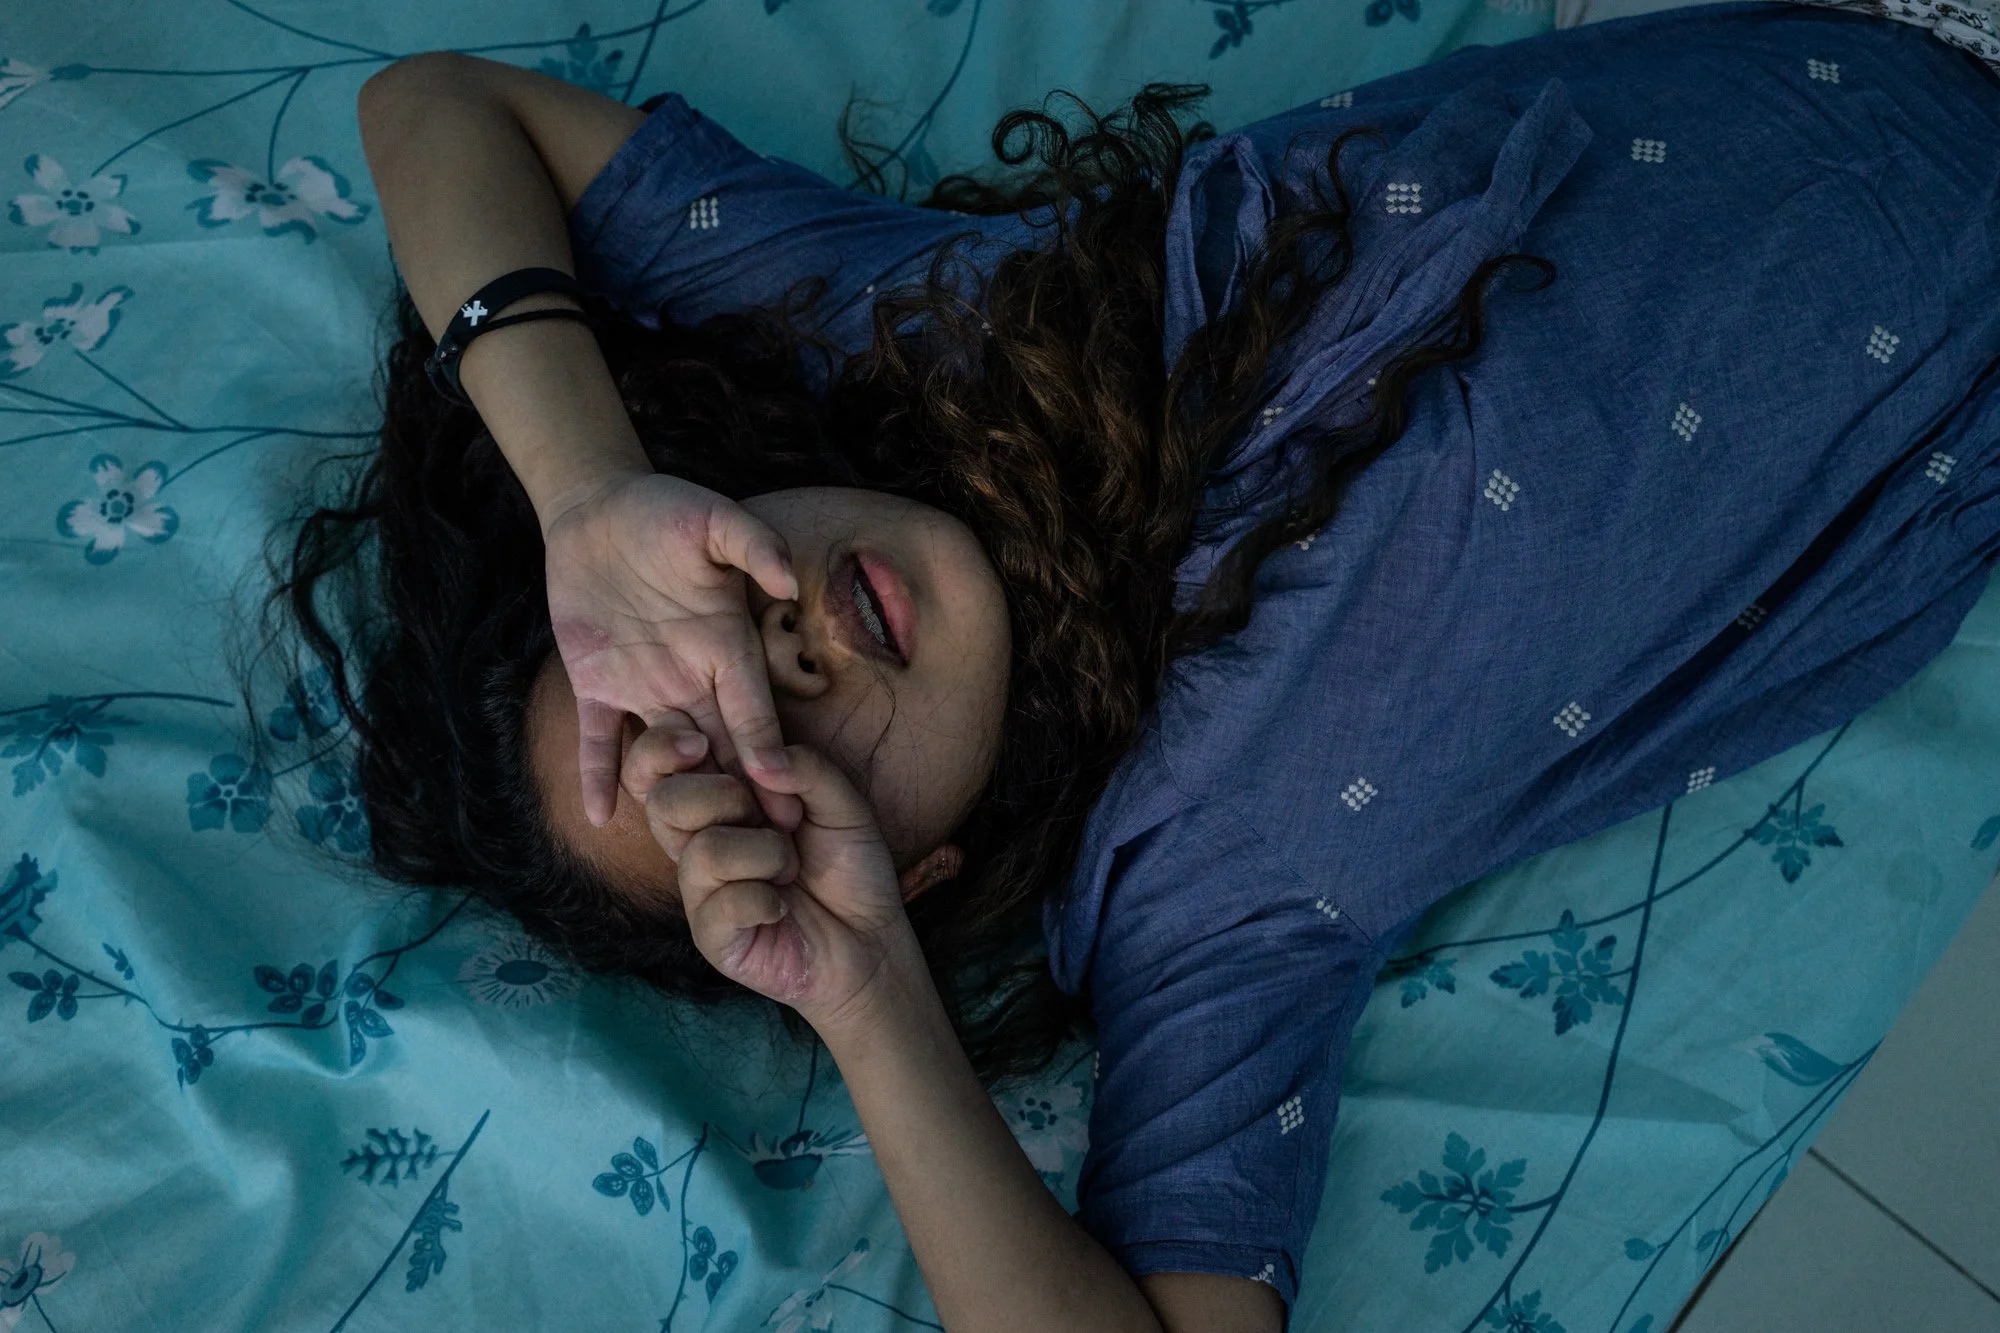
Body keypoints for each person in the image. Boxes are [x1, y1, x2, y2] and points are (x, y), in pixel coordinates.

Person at [295, 5, 2000, 1329]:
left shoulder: (899, 326)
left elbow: (434, 107)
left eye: (693, 626)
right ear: (915, 864)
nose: (782, 654)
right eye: (745, 753)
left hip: (1862, 45)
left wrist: (583, 495)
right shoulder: (1205, 893)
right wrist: (869, 994)